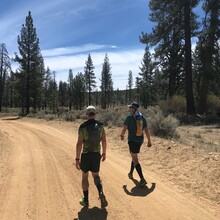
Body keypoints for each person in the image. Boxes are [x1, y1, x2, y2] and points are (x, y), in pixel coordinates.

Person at [75, 105, 108, 208]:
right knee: (96, 176)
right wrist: (104, 153)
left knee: (85, 176)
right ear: (95, 114)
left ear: (86, 114)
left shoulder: (83, 126)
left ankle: (85, 200)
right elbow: (104, 140)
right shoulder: (100, 126)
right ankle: (101, 192)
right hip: (96, 154)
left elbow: (79, 143)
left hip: (86, 154)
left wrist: (77, 158)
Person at [120, 102, 152, 187]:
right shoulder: (142, 118)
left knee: (135, 159)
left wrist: (122, 135)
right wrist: (149, 140)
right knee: (134, 156)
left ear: (134, 109)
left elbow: (124, 128)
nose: (129, 108)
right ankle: (130, 173)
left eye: (130, 107)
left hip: (132, 140)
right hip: (140, 141)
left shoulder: (129, 117)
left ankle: (142, 179)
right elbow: (146, 130)